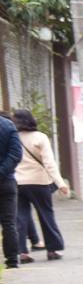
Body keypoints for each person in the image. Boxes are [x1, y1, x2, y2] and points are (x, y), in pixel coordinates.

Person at [11, 109, 70, 262]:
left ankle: (22, 253)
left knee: (20, 218)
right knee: (46, 215)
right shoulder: (40, 137)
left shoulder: (12, 137)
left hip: (17, 182)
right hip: (39, 183)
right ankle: (52, 250)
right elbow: (49, 163)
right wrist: (60, 183)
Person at [0, 114, 22, 270]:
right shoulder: (8, 126)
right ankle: (12, 260)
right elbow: (16, 154)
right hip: (6, 181)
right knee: (9, 223)